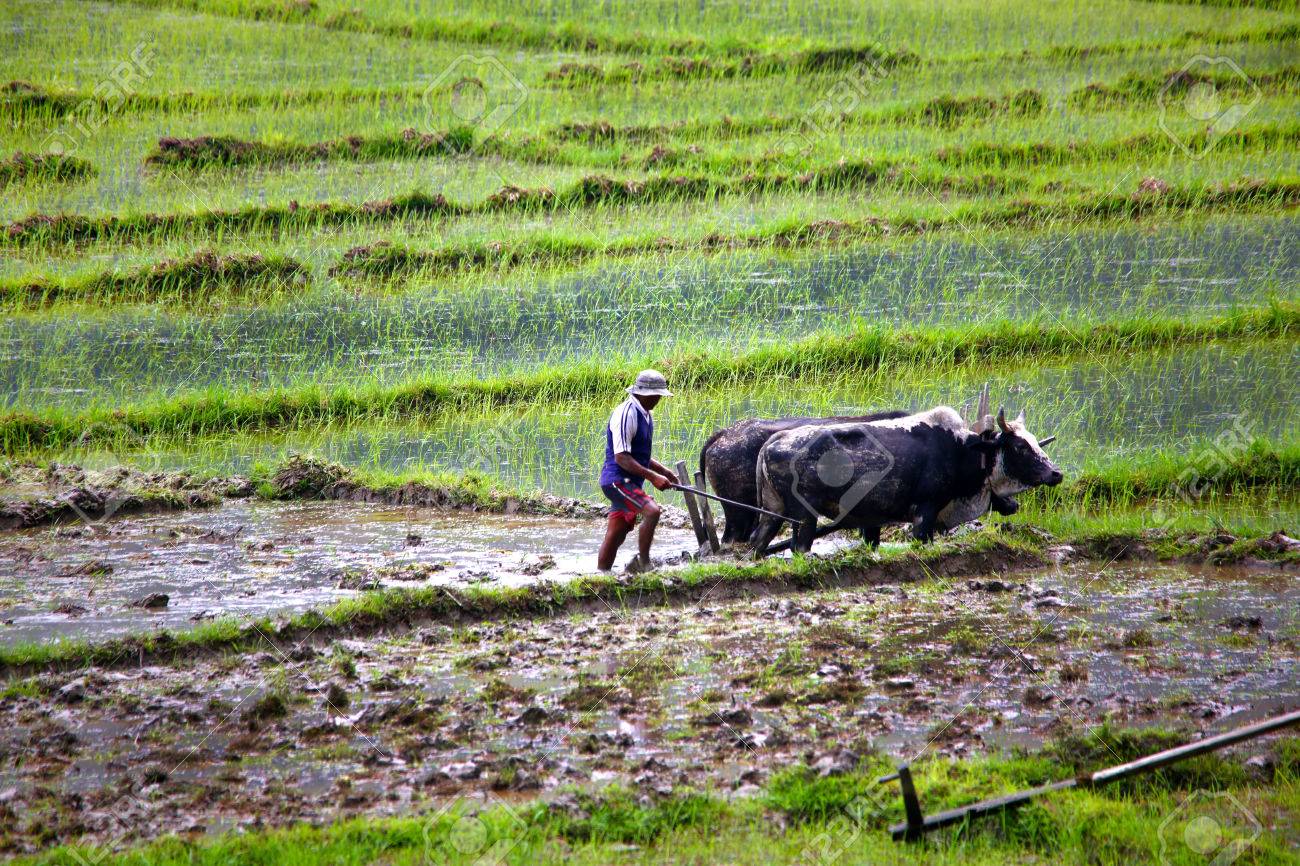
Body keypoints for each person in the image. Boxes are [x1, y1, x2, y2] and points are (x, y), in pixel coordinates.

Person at [597, 369, 679, 573]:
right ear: (642, 393)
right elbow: (622, 456)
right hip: (617, 481)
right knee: (652, 511)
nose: (659, 399)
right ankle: (644, 563)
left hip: (629, 482)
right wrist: (653, 477)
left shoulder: (646, 414)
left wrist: (664, 472)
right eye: (656, 395)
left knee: (617, 532)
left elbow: (640, 455)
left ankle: (602, 574)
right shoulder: (626, 413)